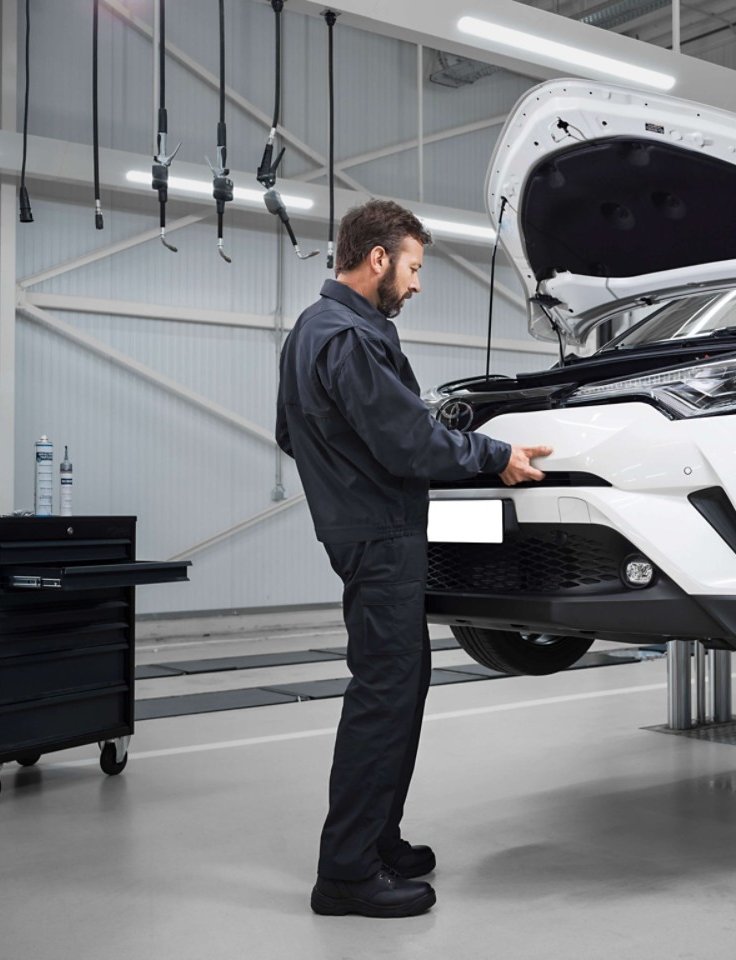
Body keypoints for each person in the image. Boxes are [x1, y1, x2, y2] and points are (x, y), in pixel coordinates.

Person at [276, 199, 552, 919]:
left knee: (403, 683)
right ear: (378, 260)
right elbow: (411, 444)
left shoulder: (311, 330)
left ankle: (376, 839)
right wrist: (497, 457)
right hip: (381, 535)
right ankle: (345, 873)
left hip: (361, 528)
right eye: (414, 267)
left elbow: (289, 433)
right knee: (384, 693)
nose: (417, 283)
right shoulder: (352, 337)